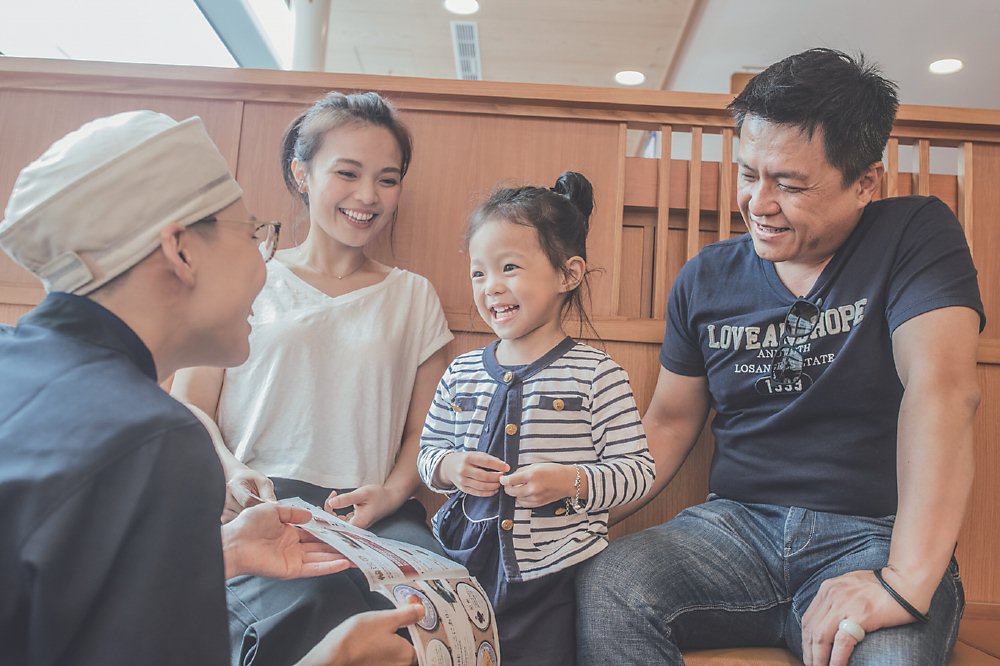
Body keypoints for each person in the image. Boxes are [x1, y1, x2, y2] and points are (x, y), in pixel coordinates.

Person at [576, 48, 985, 666]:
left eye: (789, 185)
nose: (758, 203)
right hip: (733, 530)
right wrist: (573, 515)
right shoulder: (705, 277)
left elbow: (943, 389)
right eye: (748, 174)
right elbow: (668, 424)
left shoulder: (913, 233)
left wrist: (903, 580)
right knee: (610, 584)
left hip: (872, 536)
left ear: (865, 182)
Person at [0, 110, 426, 666]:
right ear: (181, 251)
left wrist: (223, 550)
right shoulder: (153, 440)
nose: (263, 263)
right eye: (251, 234)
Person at [171, 91, 453, 664]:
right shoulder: (253, 274)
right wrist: (230, 473)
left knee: (438, 604)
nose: (368, 196)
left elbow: (425, 431)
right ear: (301, 174)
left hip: (374, 512)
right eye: (347, 173)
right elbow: (189, 405)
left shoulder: (414, 295)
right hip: (261, 505)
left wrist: (391, 494)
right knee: (318, 602)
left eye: (387, 179)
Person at [418, 172, 656, 665]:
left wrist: (571, 481)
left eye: (509, 267)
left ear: (568, 275)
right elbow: (429, 455)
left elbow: (638, 472)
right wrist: (450, 467)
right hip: (460, 565)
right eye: (479, 273)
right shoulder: (461, 371)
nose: (491, 287)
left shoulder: (597, 374)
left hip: (555, 574)